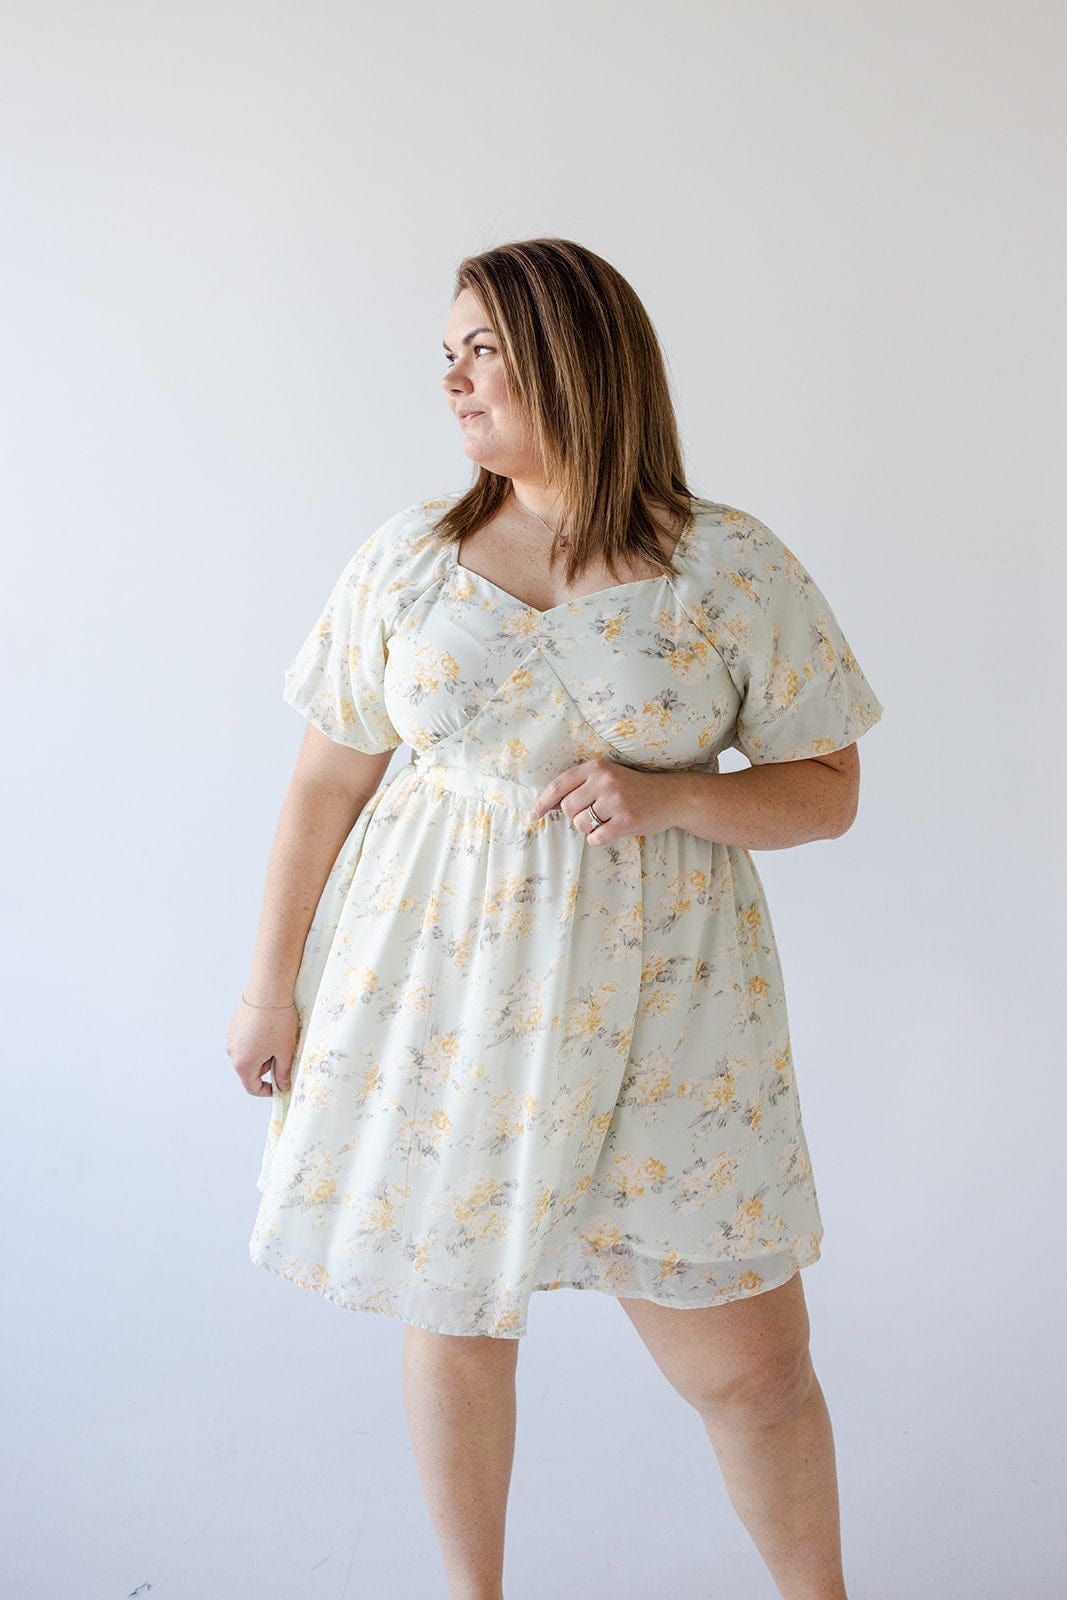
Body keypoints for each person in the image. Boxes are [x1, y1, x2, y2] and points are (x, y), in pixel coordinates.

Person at [228, 236, 883, 1600]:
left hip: (673, 998)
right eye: (447, 355)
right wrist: (267, 986)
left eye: (485, 348)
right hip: (443, 985)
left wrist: (673, 798)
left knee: (752, 1368)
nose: (456, 379)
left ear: (577, 356)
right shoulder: (412, 556)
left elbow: (828, 791)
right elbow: (320, 785)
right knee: (457, 1309)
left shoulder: (724, 565)